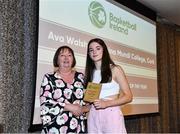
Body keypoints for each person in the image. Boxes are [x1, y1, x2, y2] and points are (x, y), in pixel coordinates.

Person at [84, 38, 133, 133]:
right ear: (89, 54)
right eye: (91, 50)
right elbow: (89, 101)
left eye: (98, 48)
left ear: (104, 50)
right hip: (93, 115)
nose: (94, 52)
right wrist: (86, 100)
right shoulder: (89, 73)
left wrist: (106, 104)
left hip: (111, 114)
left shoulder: (115, 69)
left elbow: (128, 96)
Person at [40, 46, 88, 134]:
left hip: (78, 127)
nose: (66, 58)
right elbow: (45, 103)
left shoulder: (81, 77)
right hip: (55, 128)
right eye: (62, 55)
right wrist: (70, 107)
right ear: (57, 60)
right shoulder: (49, 77)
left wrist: (83, 109)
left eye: (69, 55)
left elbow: (88, 101)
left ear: (73, 59)